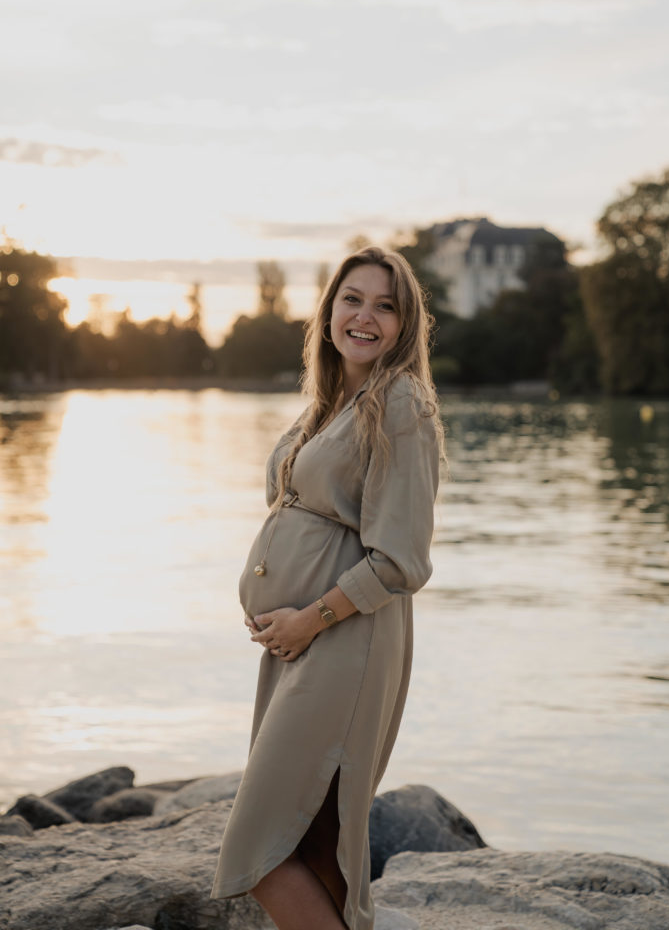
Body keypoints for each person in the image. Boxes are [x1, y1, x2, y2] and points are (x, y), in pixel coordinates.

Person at [211, 246, 443, 930]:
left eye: (385, 305)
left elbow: (401, 559)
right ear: (329, 309)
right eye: (352, 299)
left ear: (404, 325)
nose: (364, 316)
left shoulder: (400, 402)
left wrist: (307, 619)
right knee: (310, 843)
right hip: (301, 648)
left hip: (344, 643)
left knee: (256, 848)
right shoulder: (332, 401)